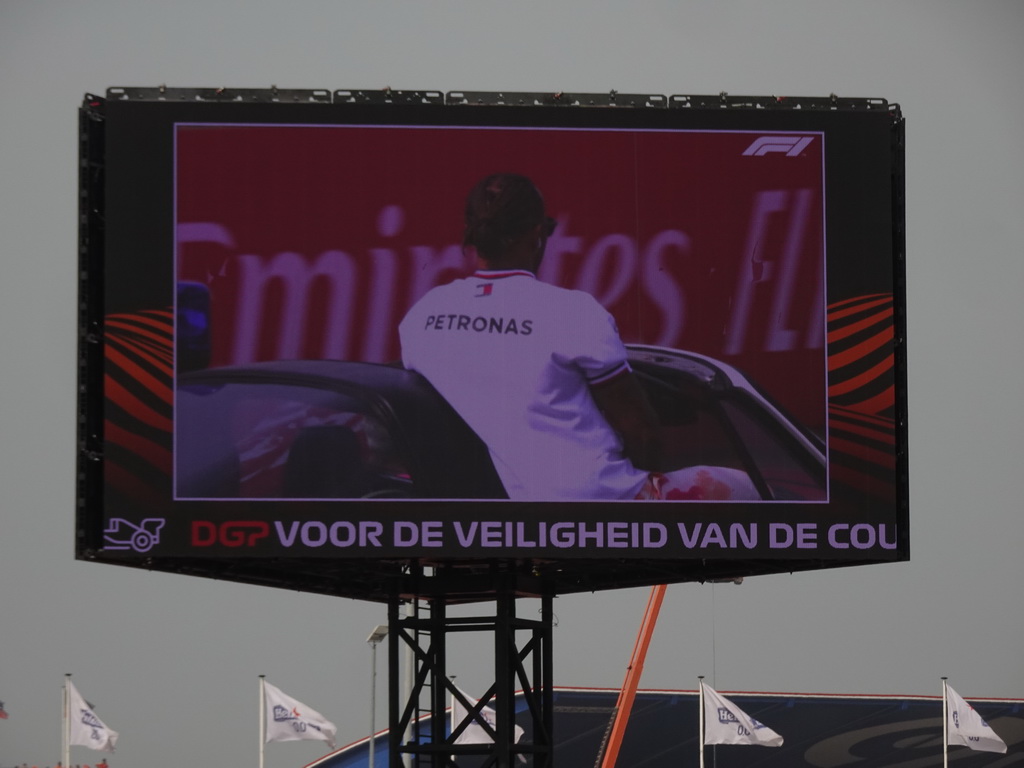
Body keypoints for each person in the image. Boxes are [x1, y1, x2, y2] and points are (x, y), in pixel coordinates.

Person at [399, 173, 757, 501]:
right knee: (747, 487)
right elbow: (644, 435)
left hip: (502, 502)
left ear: (473, 233)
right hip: (597, 501)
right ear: (537, 234)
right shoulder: (572, 312)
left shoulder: (422, 317)